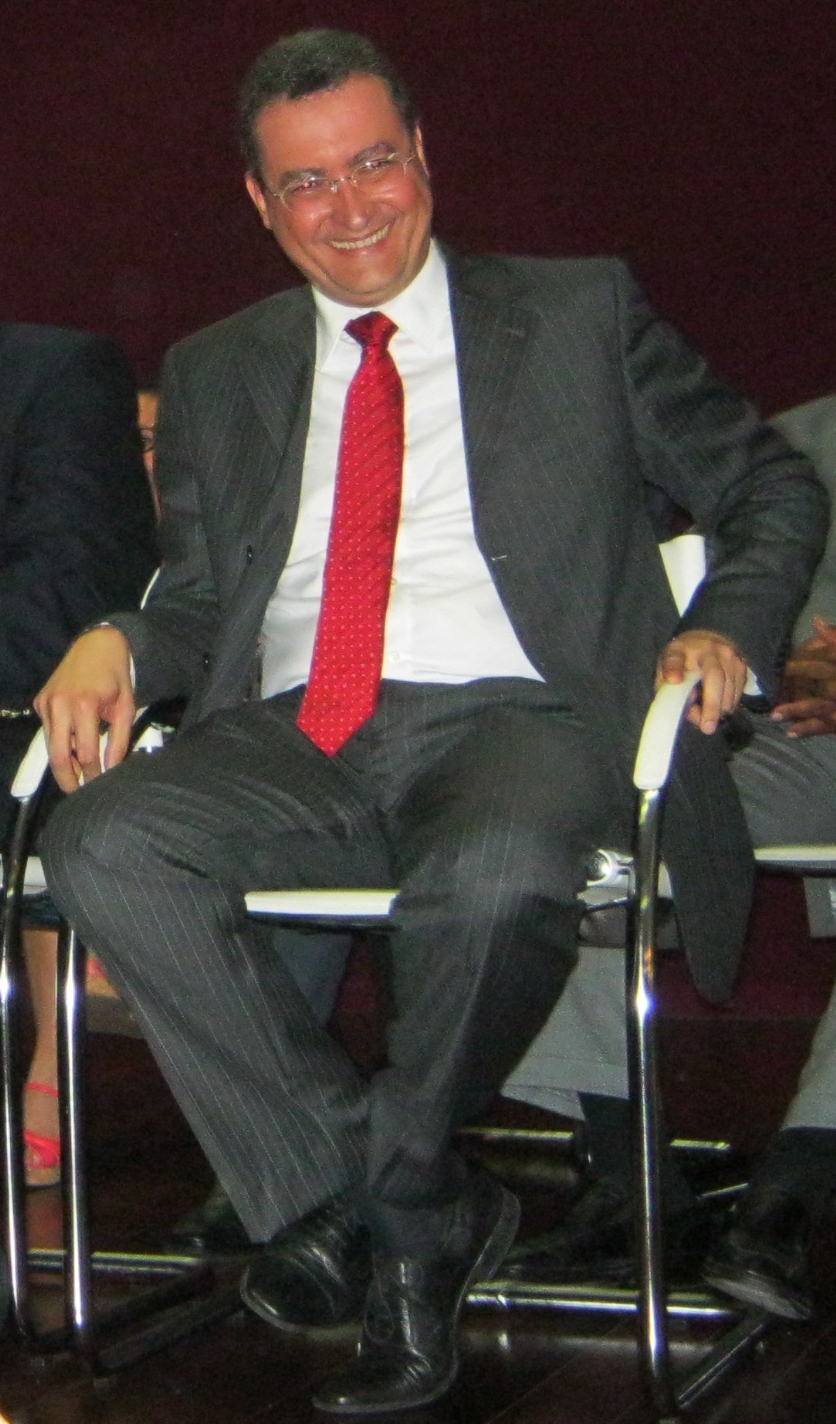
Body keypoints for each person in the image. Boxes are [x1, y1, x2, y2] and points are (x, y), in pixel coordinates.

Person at [33, 29, 825, 1415]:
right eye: (308, 182)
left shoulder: (576, 312)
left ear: (422, 157)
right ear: (260, 202)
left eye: (374, 164)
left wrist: (726, 627)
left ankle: (380, 1216)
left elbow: (769, 484)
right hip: (301, 726)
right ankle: (407, 1201)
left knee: (497, 872)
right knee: (102, 843)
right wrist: (117, 634)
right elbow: (206, 603)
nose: (350, 207)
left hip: (524, 713)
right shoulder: (220, 366)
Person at [503, 395, 836, 1323]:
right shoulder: (793, 441)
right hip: (777, 732)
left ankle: (792, 1192)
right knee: (584, 811)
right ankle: (634, 1186)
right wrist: (759, 660)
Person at [0, 322, 158, 1184]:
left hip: (22, 709)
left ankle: (48, 1067)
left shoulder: (50, 372)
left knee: (57, 756)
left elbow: (69, 590)